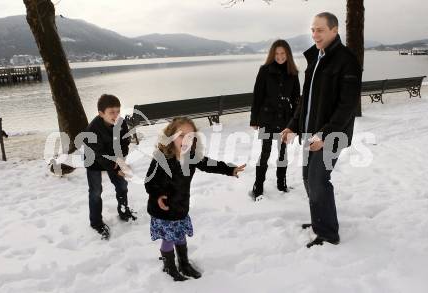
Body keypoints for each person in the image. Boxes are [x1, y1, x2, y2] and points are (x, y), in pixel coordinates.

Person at [281, 12, 362, 248]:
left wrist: (324, 135)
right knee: (308, 179)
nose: (315, 34)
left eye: (320, 30)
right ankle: (320, 221)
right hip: (311, 133)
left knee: (318, 180)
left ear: (334, 31)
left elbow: (347, 106)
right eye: (313, 30)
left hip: (331, 135)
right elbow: (306, 100)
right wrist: (292, 126)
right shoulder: (316, 58)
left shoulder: (347, 61)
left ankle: (328, 233)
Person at [144, 117, 246, 281]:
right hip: (163, 210)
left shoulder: (191, 156)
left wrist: (230, 169)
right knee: (169, 239)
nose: (186, 140)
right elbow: (149, 182)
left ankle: (184, 263)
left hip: (180, 206)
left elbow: (208, 164)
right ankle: (169, 267)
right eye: (181, 135)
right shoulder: (161, 158)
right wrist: (157, 196)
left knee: (180, 236)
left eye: (190, 136)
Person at [250, 39, 300, 200]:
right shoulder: (264, 70)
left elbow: (296, 100)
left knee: (283, 153)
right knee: (265, 153)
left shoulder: (293, 72)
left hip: (286, 120)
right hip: (266, 119)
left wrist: (295, 122)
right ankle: (258, 185)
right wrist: (254, 119)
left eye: (283, 53)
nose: (279, 56)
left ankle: (281, 183)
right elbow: (257, 96)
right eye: (277, 53)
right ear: (273, 54)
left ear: (288, 54)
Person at [84, 94, 137, 240]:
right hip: (94, 160)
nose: (116, 115)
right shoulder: (92, 130)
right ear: (101, 113)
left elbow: (125, 142)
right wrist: (115, 162)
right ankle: (96, 223)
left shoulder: (121, 123)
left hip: (114, 158)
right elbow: (99, 154)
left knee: (122, 185)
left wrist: (120, 159)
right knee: (95, 191)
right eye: (111, 112)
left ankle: (123, 210)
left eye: (117, 111)